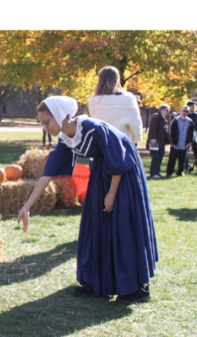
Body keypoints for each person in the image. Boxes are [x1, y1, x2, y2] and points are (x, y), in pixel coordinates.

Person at [18, 96, 158, 304]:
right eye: (41, 124)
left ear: (59, 115)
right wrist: (26, 207)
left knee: (122, 224)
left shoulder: (92, 127)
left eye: (46, 122)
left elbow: (118, 158)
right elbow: (46, 175)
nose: (45, 127)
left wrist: (111, 194)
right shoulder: (66, 138)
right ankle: (98, 282)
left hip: (123, 173)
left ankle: (137, 287)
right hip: (103, 172)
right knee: (97, 223)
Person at [87, 66, 144, 147]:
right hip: (122, 146)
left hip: (101, 146)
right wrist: (136, 140)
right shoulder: (128, 98)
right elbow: (136, 125)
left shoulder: (93, 101)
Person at [166, 106, 195, 177]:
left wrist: (190, 141)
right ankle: (169, 172)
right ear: (181, 111)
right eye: (183, 111)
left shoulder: (189, 121)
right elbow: (170, 131)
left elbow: (191, 132)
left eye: (186, 111)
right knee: (172, 159)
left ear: (188, 113)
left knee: (182, 160)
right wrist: (171, 141)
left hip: (184, 145)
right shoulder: (175, 120)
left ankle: (180, 171)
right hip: (175, 144)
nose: (184, 112)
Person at [147, 104, 171, 179]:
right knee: (156, 157)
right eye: (167, 110)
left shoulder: (163, 119)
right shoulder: (156, 117)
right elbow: (153, 129)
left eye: (168, 111)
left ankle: (157, 172)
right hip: (155, 142)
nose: (167, 112)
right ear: (162, 110)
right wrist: (153, 140)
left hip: (161, 142)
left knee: (160, 156)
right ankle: (154, 173)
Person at [186, 101, 197, 173]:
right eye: (191, 106)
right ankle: (186, 165)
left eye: (193, 106)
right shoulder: (186, 116)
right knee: (185, 152)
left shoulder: (196, 116)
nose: (192, 107)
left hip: (195, 135)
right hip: (187, 136)